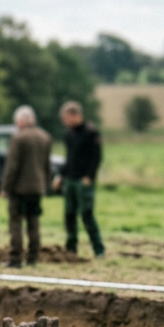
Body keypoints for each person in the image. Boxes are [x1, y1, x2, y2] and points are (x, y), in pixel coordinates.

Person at [0, 105, 52, 268]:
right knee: (34, 223)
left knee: (16, 223)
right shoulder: (45, 137)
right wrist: (45, 184)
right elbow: (47, 166)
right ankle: (33, 257)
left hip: (19, 189)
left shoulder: (18, 138)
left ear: (22, 120)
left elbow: (12, 166)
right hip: (37, 188)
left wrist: (6, 187)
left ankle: (16, 258)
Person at [53, 101, 105, 259]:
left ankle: (99, 250)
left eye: (66, 118)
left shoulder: (91, 133)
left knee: (86, 214)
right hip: (70, 180)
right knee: (69, 215)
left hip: (84, 181)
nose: (65, 121)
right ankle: (71, 249)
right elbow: (69, 158)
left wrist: (89, 176)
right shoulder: (68, 134)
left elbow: (97, 157)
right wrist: (61, 176)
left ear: (76, 116)